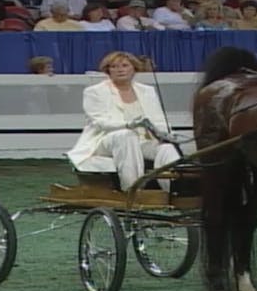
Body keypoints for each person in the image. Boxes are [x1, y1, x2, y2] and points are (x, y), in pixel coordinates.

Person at [66, 52, 181, 192]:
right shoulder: (95, 92)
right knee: (126, 136)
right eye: (114, 66)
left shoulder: (147, 91)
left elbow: (158, 119)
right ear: (108, 71)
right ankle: (132, 190)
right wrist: (128, 124)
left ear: (134, 68)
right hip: (105, 140)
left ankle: (173, 189)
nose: (120, 69)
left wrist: (166, 134)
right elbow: (100, 122)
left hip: (143, 140)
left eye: (125, 65)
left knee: (166, 148)